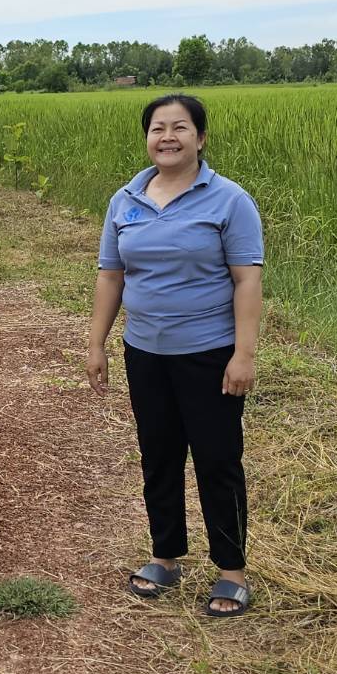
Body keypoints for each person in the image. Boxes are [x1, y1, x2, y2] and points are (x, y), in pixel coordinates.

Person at [86, 94, 263, 617]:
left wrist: (243, 354)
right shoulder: (126, 199)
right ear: (147, 138)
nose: (168, 136)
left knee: (217, 460)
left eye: (180, 127)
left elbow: (247, 280)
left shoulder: (229, 200)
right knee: (158, 455)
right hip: (146, 351)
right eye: (158, 128)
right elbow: (110, 276)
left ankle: (231, 571)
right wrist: (96, 343)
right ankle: (165, 556)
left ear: (201, 138)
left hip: (209, 354)